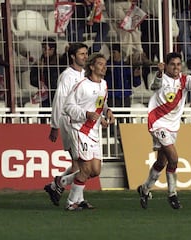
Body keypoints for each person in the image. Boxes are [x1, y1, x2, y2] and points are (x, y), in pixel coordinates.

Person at [137, 52, 191, 209]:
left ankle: (144, 189)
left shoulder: (185, 80)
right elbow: (154, 86)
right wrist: (158, 73)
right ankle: (172, 195)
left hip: (173, 126)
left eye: (178, 64)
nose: (176, 67)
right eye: (173, 64)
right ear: (166, 65)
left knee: (162, 161)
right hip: (158, 122)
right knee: (174, 158)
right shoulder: (161, 77)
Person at [58, 53, 115, 210]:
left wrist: (107, 111)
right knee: (86, 169)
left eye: (105, 64)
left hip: (94, 131)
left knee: (95, 171)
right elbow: (68, 107)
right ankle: (71, 202)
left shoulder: (103, 84)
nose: (104, 67)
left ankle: (61, 181)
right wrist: (86, 114)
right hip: (80, 129)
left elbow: (101, 103)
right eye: (100, 64)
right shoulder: (82, 85)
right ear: (91, 66)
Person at [44, 42, 89, 206]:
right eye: (81, 54)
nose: (85, 56)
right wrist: (54, 125)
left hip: (81, 122)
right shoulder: (67, 76)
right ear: (72, 56)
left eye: (86, 53)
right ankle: (77, 198)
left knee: (79, 163)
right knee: (82, 163)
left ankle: (57, 184)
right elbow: (59, 101)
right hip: (68, 121)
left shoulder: (85, 74)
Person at [30, 37, 62, 123]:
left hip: (58, 93)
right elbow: (32, 79)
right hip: (45, 94)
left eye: (47, 49)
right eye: (43, 49)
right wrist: (39, 82)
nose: (45, 51)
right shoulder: (39, 62)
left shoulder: (60, 61)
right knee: (44, 114)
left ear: (53, 49)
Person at [105, 43, 141, 109]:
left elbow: (136, 84)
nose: (112, 55)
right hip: (111, 96)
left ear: (120, 53)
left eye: (114, 52)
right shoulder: (106, 66)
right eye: (111, 53)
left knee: (125, 117)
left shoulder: (126, 66)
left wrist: (136, 76)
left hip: (125, 97)